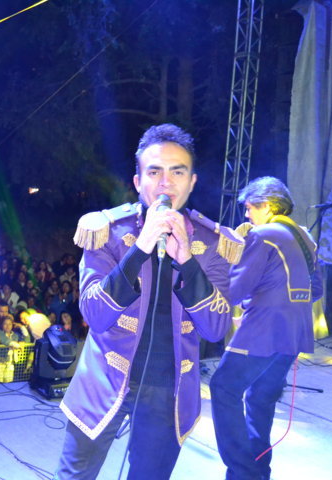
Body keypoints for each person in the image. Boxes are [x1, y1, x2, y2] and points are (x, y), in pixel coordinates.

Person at [55, 124, 243, 479]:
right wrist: (140, 248)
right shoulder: (107, 230)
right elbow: (94, 314)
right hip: (104, 379)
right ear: (138, 181)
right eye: (154, 172)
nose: (166, 182)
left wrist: (187, 259)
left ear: (192, 182)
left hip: (169, 390)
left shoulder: (214, 242)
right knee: (73, 475)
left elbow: (215, 328)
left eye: (178, 172)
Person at [210, 177, 323, 480]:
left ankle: (243, 472)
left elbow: (234, 290)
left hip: (263, 332)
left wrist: (227, 260)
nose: (247, 215)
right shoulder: (305, 237)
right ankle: (259, 470)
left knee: (223, 388)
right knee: (260, 398)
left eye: (249, 208)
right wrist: (271, 301)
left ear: (268, 205)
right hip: (295, 335)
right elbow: (316, 290)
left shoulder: (262, 236)